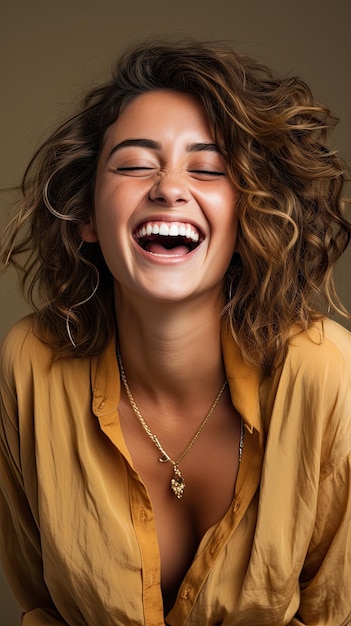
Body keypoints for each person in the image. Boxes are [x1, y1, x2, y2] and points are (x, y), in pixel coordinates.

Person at [0, 38, 350, 626]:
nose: (168, 187)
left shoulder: (325, 374)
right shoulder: (29, 364)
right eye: (135, 165)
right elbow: (42, 606)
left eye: (209, 168)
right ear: (86, 215)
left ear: (248, 214)